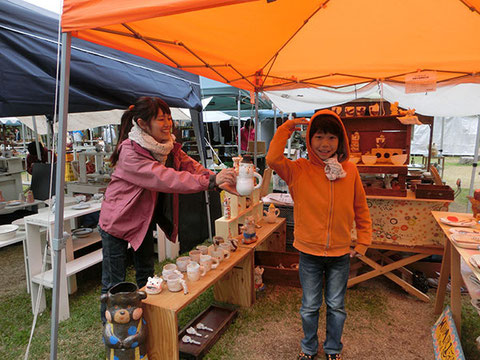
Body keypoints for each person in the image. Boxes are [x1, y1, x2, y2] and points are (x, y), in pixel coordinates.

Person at [98, 96, 237, 323]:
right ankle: (113, 333)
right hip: (117, 222)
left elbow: (189, 165)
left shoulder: (165, 146)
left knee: (146, 276)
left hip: (142, 221)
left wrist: (214, 178)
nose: (167, 124)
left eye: (169, 118)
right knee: (114, 284)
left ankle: (146, 324)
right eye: (160, 119)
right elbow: (165, 178)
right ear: (143, 124)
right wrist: (210, 182)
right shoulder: (131, 152)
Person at [266, 110, 372, 360]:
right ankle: (309, 348)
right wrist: (287, 127)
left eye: (332, 138)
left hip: (340, 253)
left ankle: (333, 349)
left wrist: (364, 241)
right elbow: (272, 158)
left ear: (341, 141)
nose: (325, 144)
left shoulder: (350, 170)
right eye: (319, 137)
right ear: (309, 140)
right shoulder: (298, 169)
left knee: (337, 307)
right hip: (309, 252)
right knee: (309, 307)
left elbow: (361, 207)